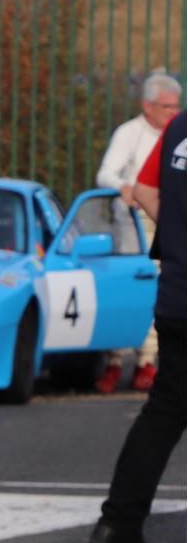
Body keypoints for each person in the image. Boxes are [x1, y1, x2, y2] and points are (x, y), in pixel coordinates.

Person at [89, 109, 185, 543]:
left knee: (164, 412)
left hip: (176, 297)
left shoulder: (179, 126)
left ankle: (119, 523)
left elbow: (144, 190)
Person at [93, 70, 181, 393]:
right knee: (130, 287)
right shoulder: (129, 133)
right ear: (148, 106)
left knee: (161, 287)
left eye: (176, 106)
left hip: (167, 220)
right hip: (133, 221)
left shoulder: (177, 132)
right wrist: (123, 186)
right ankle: (115, 360)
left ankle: (147, 361)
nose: (173, 112)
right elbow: (106, 173)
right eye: (166, 106)